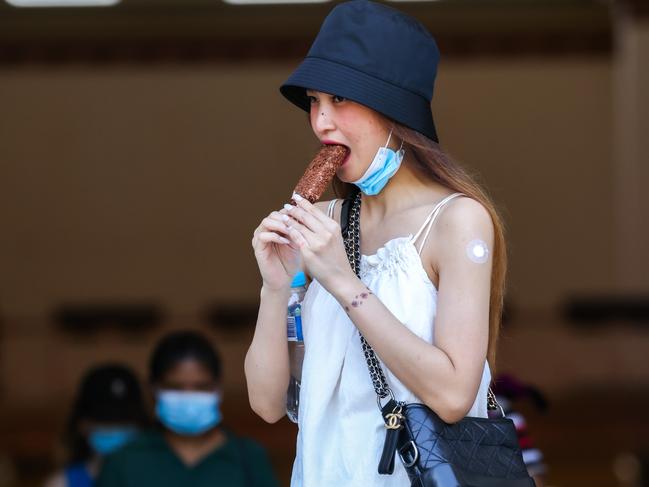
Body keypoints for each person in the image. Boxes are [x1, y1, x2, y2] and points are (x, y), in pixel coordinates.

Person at [245, 0, 508, 485]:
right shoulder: (322, 223)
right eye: (314, 102)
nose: (322, 123)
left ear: (393, 110)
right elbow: (267, 405)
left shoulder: (459, 222)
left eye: (340, 100)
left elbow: (452, 395)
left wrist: (344, 282)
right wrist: (274, 288)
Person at [96, 330, 279, 487]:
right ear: (154, 389)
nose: (189, 397)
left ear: (218, 388)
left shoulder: (248, 458)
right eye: (175, 387)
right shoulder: (124, 461)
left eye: (201, 387)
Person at [45, 364, 148, 487]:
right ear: (82, 425)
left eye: (124, 420)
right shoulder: (61, 483)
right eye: (105, 420)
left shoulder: (158, 479)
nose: (115, 428)